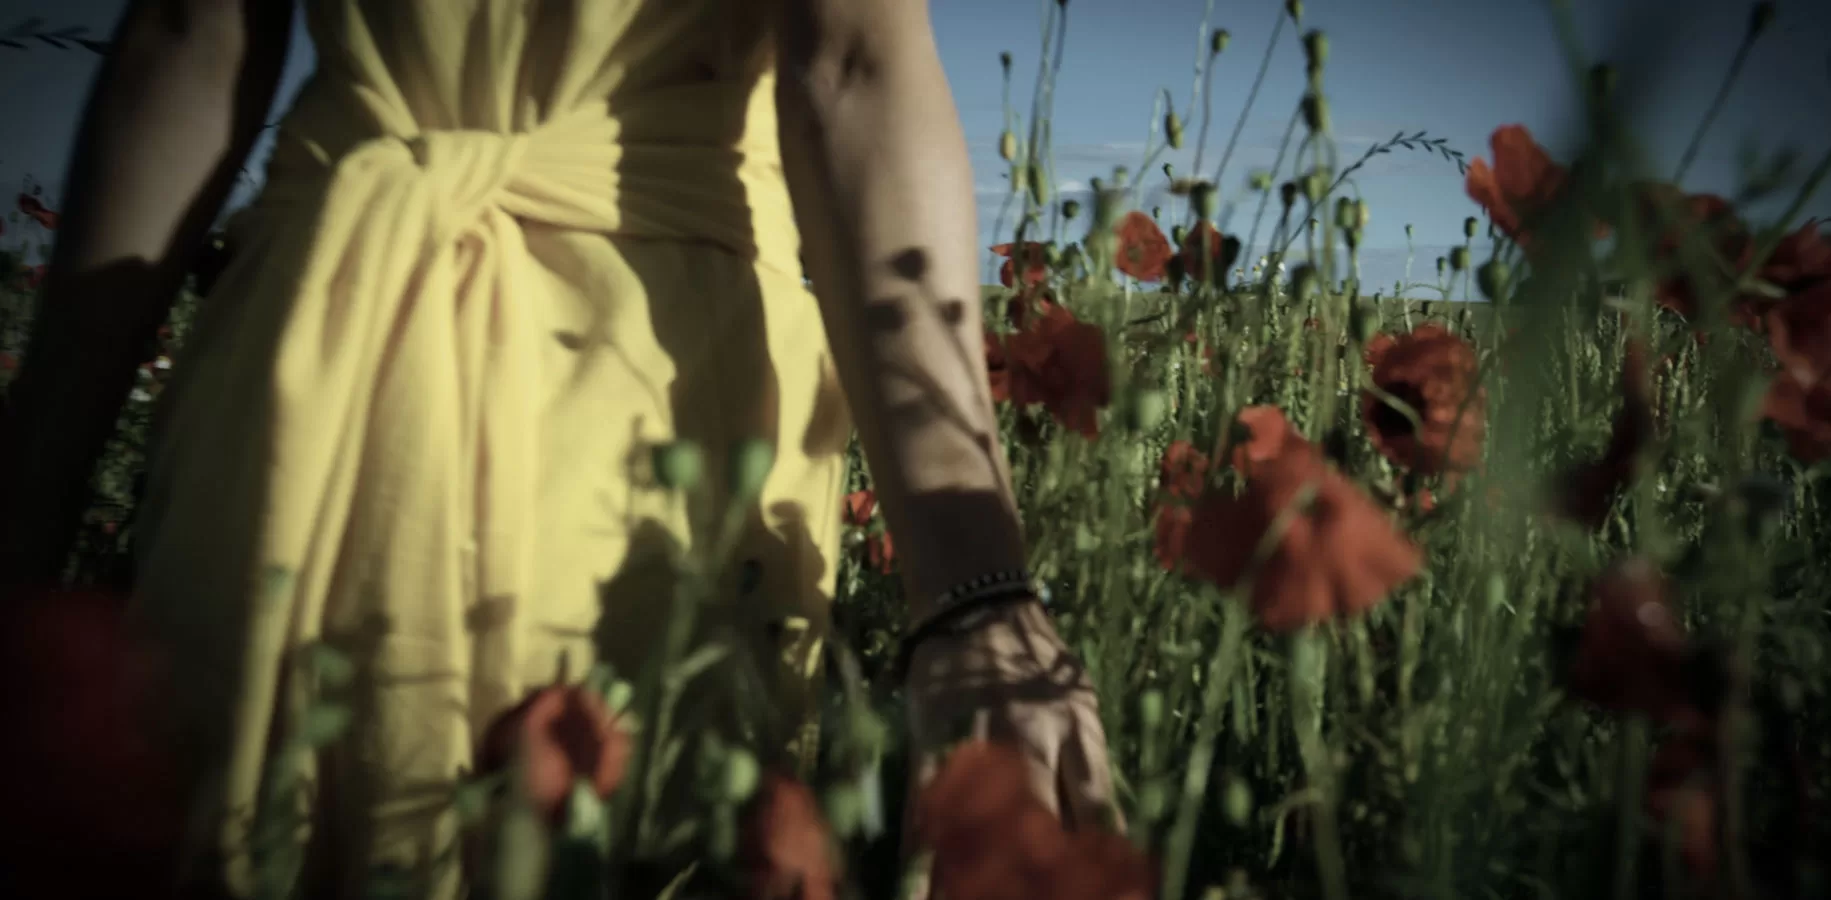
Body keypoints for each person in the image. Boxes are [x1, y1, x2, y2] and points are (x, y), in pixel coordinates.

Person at [0, 1, 1119, 897]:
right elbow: (853, 66)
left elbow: (191, 47)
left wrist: (26, 513)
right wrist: (972, 595)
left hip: (298, 376)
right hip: (646, 378)